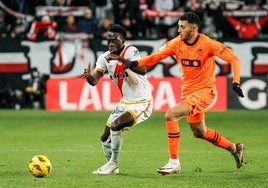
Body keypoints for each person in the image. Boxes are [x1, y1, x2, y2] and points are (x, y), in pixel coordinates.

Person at [122, 12, 245, 175]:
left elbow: (234, 59)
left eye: (182, 27)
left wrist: (236, 81)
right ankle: (233, 147)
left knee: (170, 115)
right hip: (188, 94)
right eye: (178, 26)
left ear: (193, 29)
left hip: (205, 92)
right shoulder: (176, 44)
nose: (178, 30)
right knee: (200, 132)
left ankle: (174, 162)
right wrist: (135, 63)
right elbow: (156, 57)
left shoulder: (208, 44)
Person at [81, 24, 153, 175]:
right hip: (125, 102)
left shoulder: (131, 51)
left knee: (116, 126)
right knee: (104, 138)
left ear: (123, 40)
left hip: (142, 102)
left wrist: (119, 59)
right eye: (109, 40)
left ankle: (113, 163)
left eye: (115, 40)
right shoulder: (104, 58)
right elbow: (95, 81)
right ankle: (112, 166)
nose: (111, 43)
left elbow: (143, 69)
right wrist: (88, 77)